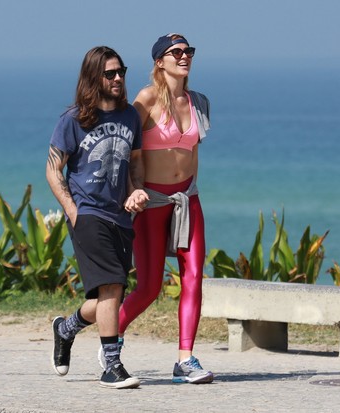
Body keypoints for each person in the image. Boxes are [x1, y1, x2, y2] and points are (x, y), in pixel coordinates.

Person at [111, 33, 214, 384]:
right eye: (176, 52)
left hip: (187, 199)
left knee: (194, 276)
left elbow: (193, 153)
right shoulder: (147, 99)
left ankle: (185, 359)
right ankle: (113, 338)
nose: (185, 57)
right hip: (151, 201)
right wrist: (131, 191)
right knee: (149, 288)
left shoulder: (198, 101)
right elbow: (123, 147)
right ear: (159, 61)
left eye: (189, 51)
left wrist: (190, 189)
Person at [46, 45, 148, 390]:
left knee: (109, 297)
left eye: (121, 72)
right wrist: (74, 212)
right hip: (87, 213)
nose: (118, 78)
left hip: (119, 216)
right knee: (112, 287)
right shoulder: (73, 120)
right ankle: (112, 363)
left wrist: (135, 191)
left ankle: (66, 328)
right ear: (94, 77)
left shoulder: (130, 116)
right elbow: (52, 170)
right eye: (110, 73)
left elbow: (133, 164)